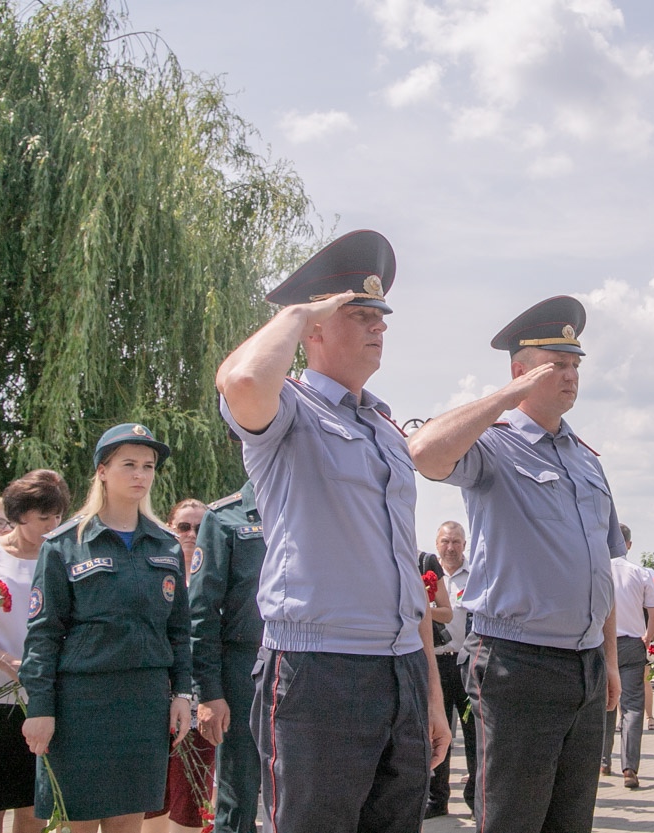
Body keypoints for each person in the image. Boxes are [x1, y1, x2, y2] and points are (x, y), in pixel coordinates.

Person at [215, 230, 449, 833]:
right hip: (318, 672)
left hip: (397, 667)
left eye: (381, 316)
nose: (379, 326)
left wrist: (430, 694)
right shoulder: (289, 409)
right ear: (314, 329)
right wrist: (297, 311)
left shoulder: (386, 427)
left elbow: (403, 566)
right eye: (360, 313)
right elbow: (240, 381)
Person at [407, 295, 624, 833]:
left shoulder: (587, 460)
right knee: (512, 820)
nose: (570, 375)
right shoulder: (495, 448)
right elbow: (424, 452)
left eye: (575, 364)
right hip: (518, 664)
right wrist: (506, 398)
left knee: (570, 822)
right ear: (521, 371)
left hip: (586, 664)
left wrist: (611, 661)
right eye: (557, 364)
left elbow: (603, 567)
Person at [20, 424, 192, 833]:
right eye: (128, 464)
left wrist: (183, 693)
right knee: (77, 823)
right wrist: (41, 707)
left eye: (148, 466)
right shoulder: (64, 544)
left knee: (127, 822)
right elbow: (43, 634)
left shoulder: (166, 545)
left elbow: (180, 632)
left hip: (145, 703)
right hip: (83, 704)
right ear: (102, 471)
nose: (140, 475)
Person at [0, 470, 69, 833]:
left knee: (34, 805)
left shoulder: (62, 557)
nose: (52, 525)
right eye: (44, 518)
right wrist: (3, 660)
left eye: (58, 517)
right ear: (19, 514)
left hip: (42, 700)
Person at [188, 480, 266, 833]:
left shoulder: (311, 506)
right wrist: (209, 693)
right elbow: (202, 611)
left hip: (305, 666)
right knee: (238, 796)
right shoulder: (223, 517)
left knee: (306, 796)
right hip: (243, 669)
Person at [145, 499, 215, 833]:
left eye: (200, 528)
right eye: (183, 527)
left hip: (201, 698)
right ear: (171, 529)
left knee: (192, 796)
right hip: (157, 696)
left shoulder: (217, 574)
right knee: (152, 797)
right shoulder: (154, 570)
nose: (191, 535)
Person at [601, 524, 654, 789]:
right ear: (628, 544)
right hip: (631, 643)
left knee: (604, 703)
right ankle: (630, 767)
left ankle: (603, 760)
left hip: (601, 644)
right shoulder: (641, 573)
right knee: (633, 707)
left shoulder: (597, 571)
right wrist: (648, 636)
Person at [426, 521, 476, 819]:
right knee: (437, 731)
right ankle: (437, 798)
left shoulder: (477, 575)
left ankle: (475, 796)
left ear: (464, 545)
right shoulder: (429, 578)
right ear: (437, 544)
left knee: (473, 733)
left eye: (456, 541)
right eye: (445, 541)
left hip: (466, 663)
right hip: (437, 663)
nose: (451, 547)